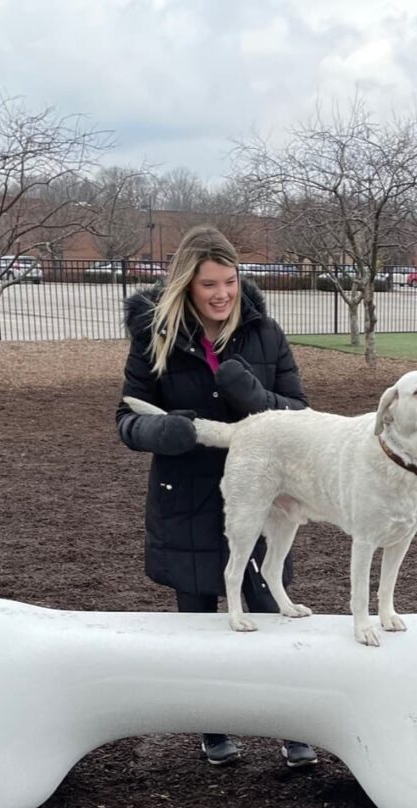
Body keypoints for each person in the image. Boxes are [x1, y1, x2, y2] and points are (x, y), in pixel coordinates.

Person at [115, 225, 318, 769]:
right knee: (201, 622)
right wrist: (164, 433)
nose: (222, 294)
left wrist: (256, 397)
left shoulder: (265, 335)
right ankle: (215, 724)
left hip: (262, 492)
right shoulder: (154, 336)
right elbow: (127, 417)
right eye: (209, 285)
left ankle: (291, 723)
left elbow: (301, 414)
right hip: (187, 496)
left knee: (269, 613)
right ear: (187, 285)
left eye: (229, 281)